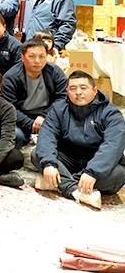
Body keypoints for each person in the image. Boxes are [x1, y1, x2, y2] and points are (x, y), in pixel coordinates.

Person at [32, 70, 125, 208]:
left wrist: (92, 172)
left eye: (83, 88)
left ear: (95, 91)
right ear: (67, 91)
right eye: (73, 88)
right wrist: (49, 164)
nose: (78, 92)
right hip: (67, 158)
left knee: (120, 174)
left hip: (94, 159)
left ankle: (57, 182)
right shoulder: (59, 109)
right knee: (37, 154)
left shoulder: (111, 113)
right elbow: (47, 136)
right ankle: (76, 190)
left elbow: (113, 146)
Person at [0, 38, 68, 149]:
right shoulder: (11, 77)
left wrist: (44, 116)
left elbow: (62, 98)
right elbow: (9, 107)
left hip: (48, 115)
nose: (37, 61)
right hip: (21, 119)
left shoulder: (55, 72)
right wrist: (31, 125)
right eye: (32, 56)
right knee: (16, 135)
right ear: (22, 57)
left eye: (42, 56)